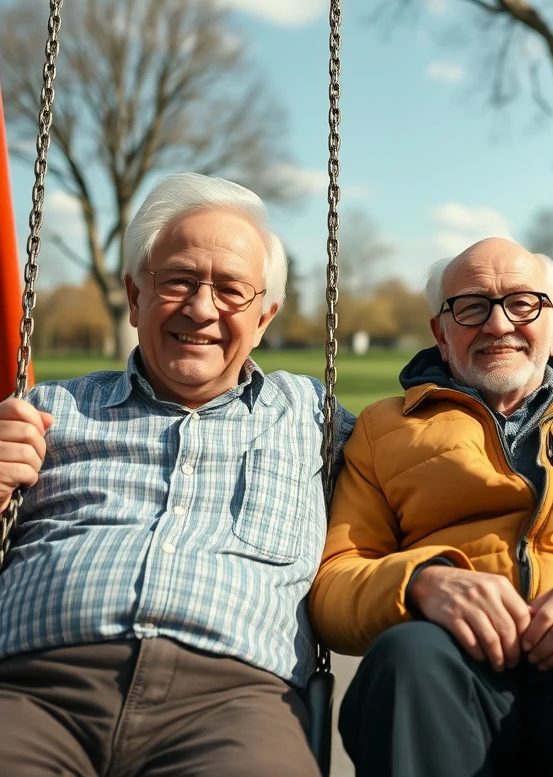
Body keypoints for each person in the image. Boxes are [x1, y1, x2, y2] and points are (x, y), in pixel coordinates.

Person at [310, 237, 553, 777]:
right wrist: (423, 582)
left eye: (523, 303)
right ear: (440, 333)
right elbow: (334, 584)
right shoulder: (385, 429)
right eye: (471, 307)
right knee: (406, 661)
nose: (498, 325)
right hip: (446, 665)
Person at [0, 173, 355, 777]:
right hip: (32, 689)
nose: (200, 308)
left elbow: (438, 471)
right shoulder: (45, 413)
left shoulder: (318, 422)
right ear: (135, 296)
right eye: (178, 281)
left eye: (230, 290)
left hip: (235, 706)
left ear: (265, 316)